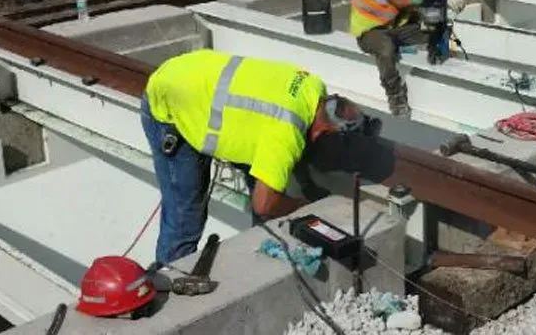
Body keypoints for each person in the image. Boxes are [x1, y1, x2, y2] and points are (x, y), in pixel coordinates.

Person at [140, 48, 368, 265]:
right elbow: (263, 204)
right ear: (321, 132)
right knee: (186, 213)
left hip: (193, 74)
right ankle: (169, 279)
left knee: (265, 180)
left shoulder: (313, 87)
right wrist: (302, 205)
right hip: (171, 101)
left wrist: (307, 186)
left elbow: (295, 141)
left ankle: (263, 247)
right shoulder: (286, 135)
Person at [350, 0, 463, 117]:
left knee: (435, 25)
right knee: (386, 49)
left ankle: (442, 67)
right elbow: (400, 0)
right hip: (371, 30)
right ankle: (396, 96)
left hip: (397, 25)